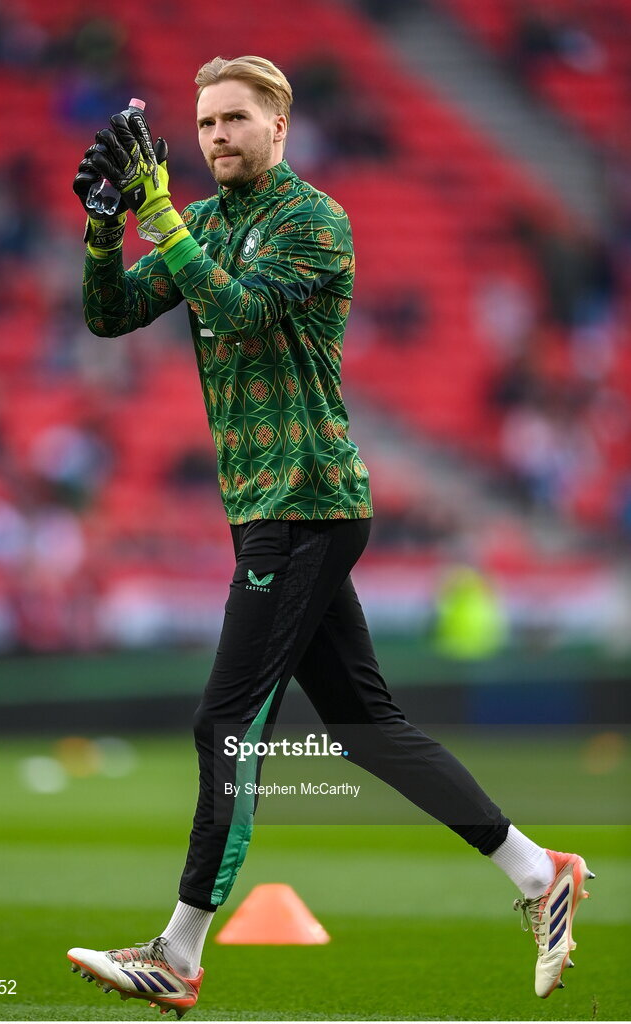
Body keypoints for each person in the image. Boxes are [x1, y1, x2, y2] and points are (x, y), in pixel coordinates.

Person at [66, 55, 593, 1017]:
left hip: (304, 502)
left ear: (279, 126)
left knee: (225, 727)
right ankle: (536, 871)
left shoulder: (315, 221)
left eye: (235, 119)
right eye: (206, 122)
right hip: (272, 507)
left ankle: (179, 954)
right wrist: (105, 229)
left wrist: (162, 215)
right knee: (364, 730)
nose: (217, 136)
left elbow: (233, 307)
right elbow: (109, 317)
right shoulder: (215, 220)